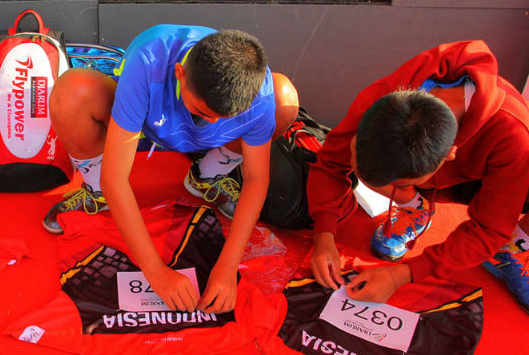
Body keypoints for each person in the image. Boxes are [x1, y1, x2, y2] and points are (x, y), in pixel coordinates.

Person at [42, 25, 299, 314]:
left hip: (204, 143)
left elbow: (256, 179)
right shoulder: (149, 59)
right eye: (203, 112)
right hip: (142, 127)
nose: (213, 123)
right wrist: (155, 271)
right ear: (180, 74)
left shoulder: (259, 93)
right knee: (72, 91)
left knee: (285, 99)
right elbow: (115, 179)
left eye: (225, 118)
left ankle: (207, 176)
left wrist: (228, 267)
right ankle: (94, 190)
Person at [307, 40, 529, 312]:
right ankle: (416, 207)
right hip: (435, 171)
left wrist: (402, 274)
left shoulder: (514, 135)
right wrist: (324, 235)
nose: (390, 190)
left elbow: (489, 229)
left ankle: (515, 245)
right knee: (380, 167)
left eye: (400, 186)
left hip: (497, 176)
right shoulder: (381, 101)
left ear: (449, 156)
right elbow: (330, 161)